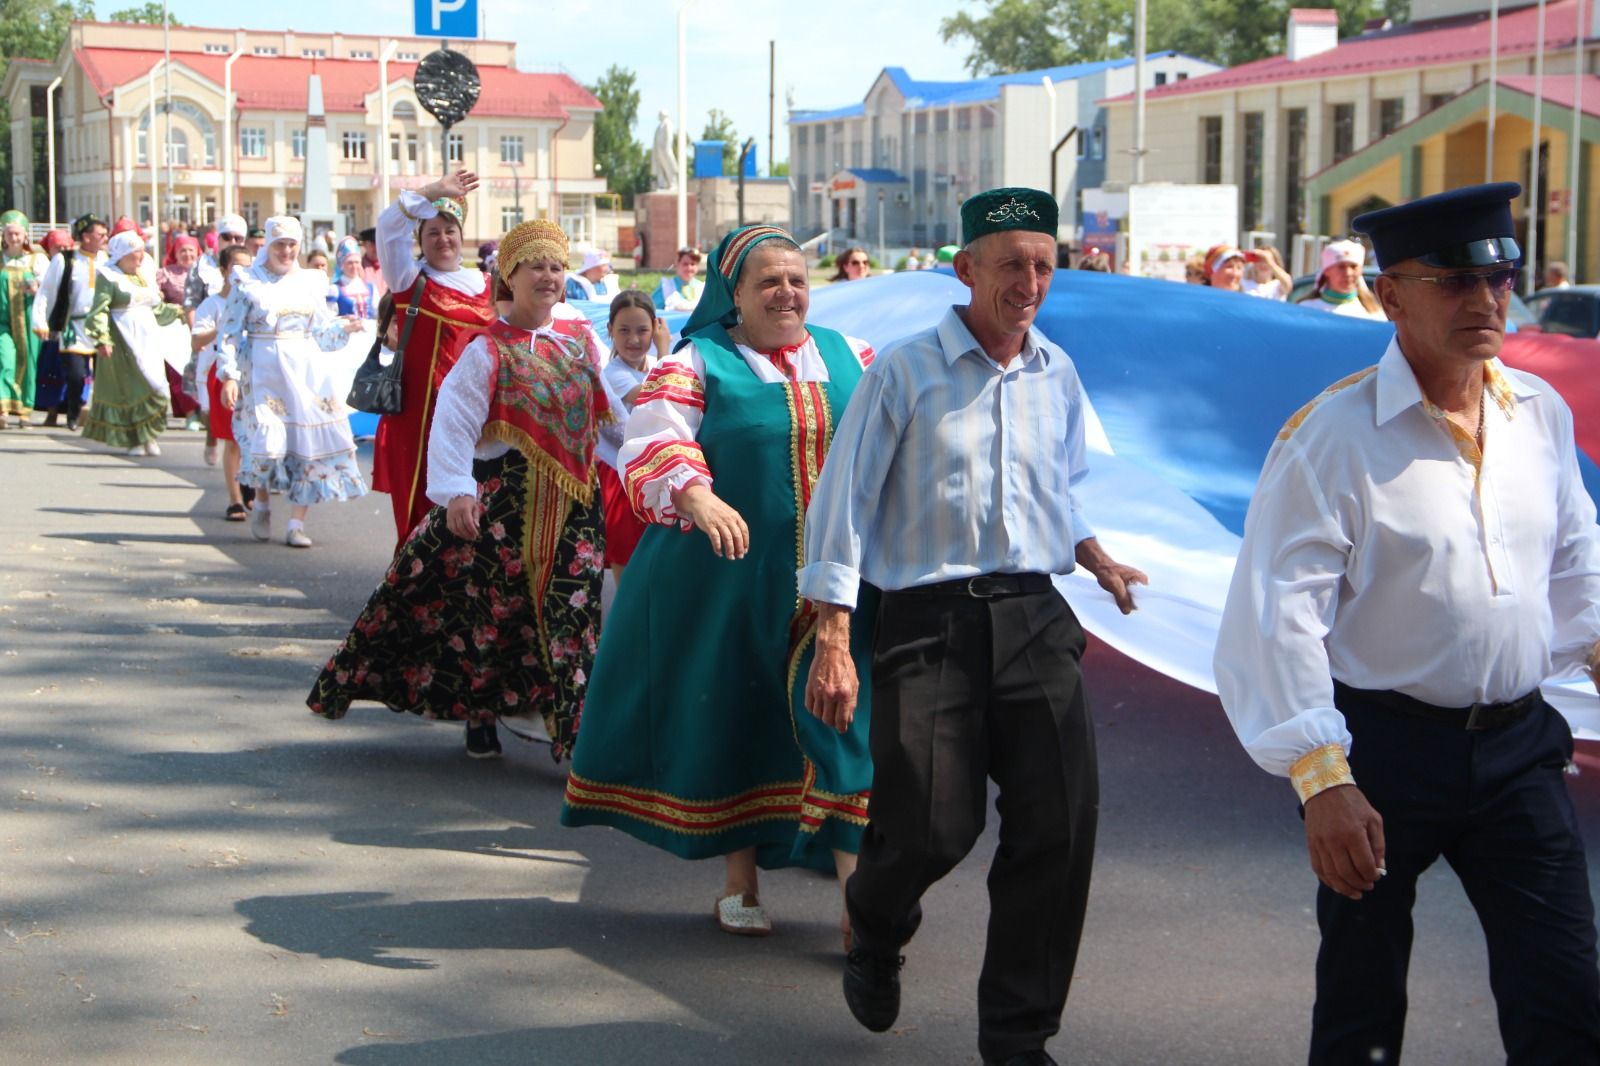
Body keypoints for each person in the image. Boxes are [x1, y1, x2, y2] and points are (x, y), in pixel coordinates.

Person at [1213, 182, 1600, 1065]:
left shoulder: (1537, 415)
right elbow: (1276, 621)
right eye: (1455, 280)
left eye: (1500, 277)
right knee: (1361, 1007)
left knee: (1565, 1000)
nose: (1485, 299)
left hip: (1518, 748)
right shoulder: (1333, 437)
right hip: (1384, 753)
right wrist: (1323, 780)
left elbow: (1579, 565)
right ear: (1389, 296)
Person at [798, 187, 1147, 1066]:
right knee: (930, 827)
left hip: (1034, 615)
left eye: (1043, 265)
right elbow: (842, 502)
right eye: (1011, 265)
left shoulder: (1056, 373)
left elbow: (1056, 492)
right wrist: (834, 638)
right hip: (928, 621)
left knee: (1060, 827)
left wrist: (1095, 555)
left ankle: (1017, 1038)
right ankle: (875, 926)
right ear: (965, 271)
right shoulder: (905, 372)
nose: (1030, 282)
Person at [562, 224, 879, 945]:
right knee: (744, 717)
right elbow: (653, 439)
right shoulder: (698, 362)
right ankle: (740, 883)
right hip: (734, 582)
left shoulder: (850, 356)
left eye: (797, 279)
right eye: (769, 281)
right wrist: (694, 494)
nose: (787, 292)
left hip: (835, 585)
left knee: (846, 719)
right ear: (733, 294)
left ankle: (859, 903)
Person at [309, 218, 609, 761]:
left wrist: (655, 471)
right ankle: (481, 711)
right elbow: (453, 423)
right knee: (494, 617)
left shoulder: (582, 339)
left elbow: (610, 419)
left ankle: (574, 734)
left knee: (575, 615)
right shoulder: (487, 349)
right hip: (505, 505)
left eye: (557, 266)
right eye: (535, 265)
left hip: (573, 506)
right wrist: (456, 491)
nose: (549, 275)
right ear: (509, 278)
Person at [214, 216, 367, 547]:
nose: (286, 251)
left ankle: (297, 523)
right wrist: (229, 374)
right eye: (279, 244)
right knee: (269, 444)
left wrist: (344, 327)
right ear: (268, 245)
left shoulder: (311, 281)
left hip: (307, 372)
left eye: (292, 245)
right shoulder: (248, 281)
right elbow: (228, 332)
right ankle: (264, 502)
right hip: (265, 371)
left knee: (312, 446)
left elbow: (322, 333)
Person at [371, 170, 496, 545]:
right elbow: (386, 228)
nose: (443, 238)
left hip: (477, 420)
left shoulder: (489, 285)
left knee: (479, 514)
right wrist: (432, 191)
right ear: (420, 241)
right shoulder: (409, 279)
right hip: (421, 418)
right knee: (422, 515)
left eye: (450, 230)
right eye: (432, 232)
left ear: (462, 236)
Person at [79, 230, 189, 456]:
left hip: (148, 338)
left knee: (156, 386)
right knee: (133, 389)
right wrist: (102, 338)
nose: (140, 257)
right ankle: (136, 438)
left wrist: (178, 312)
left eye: (142, 252)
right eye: (136, 253)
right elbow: (99, 311)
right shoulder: (108, 276)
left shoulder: (142, 278)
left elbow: (155, 309)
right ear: (123, 254)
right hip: (123, 338)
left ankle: (149, 435)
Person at [595, 289, 671, 581]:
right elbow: (660, 395)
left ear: (655, 327)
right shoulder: (612, 373)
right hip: (620, 476)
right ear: (610, 330)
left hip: (653, 472)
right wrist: (664, 349)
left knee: (655, 565)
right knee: (627, 567)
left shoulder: (653, 367)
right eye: (624, 330)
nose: (634, 340)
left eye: (643, 330)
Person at [191, 244, 255, 519]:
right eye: (235, 267)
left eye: (247, 267)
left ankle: (250, 485)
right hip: (224, 374)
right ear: (223, 271)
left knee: (253, 438)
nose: (241, 272)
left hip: (253, 373)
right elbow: (196, 341)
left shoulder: (255, 300)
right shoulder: (212, 304)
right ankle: (234, 499)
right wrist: (225, 327)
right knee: (232, 439)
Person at [31, 215, 108, 432]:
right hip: (73, 327)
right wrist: (41, 321)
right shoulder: (65, 260)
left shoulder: (108, 260)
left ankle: (101, 419)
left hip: (102, 328)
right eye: (100, 234)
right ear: (85, 236)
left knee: (104, 377)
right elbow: (47, 291)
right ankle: (73, 414)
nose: (105, 238)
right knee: (76, 375)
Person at [0, 211, 45, 427]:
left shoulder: (36, 260)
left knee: (29, 360)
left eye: (17, 234)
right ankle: (3, 408)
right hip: (2, 319)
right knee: (5, 360)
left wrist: (36, 288)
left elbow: (48, 288)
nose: (14, 238)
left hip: (27, 318)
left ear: (25, 235)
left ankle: (25, 408)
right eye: (10, 234)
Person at [30, 229, 76, 426]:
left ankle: (73, 410)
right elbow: (45, 294)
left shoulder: (77, 263)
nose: (63, 250)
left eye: (66, 246)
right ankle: (52, 411)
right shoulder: (44, 265)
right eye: (58, 247)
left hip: (73, 324)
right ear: (49, 249)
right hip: (53, 323)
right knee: (51, 369)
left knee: (73, 369)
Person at [1298, 239, 1386, 320]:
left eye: (1353, 267)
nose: (1348, 273)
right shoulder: (1306, 309)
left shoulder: (1373, 313)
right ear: (1326, 271)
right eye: (1341, 267)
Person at [328, 239, 376, 320]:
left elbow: (377, 314)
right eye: (350, 263)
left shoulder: (371, 287)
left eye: (357, 262)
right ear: (342, 265)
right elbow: (329, 319)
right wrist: (344, 320)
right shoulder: (334, 289)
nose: (354, 266)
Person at [652, 245, 703, 311]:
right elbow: (651, 310)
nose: (689, 268)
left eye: (693, 264)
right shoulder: (666, 286)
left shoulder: (703, 288)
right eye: (685, 264)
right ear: (677, 263)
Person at [357, 227, 387, 299]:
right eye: (373, 244)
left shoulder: (390, 266)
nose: (377, 248)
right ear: (364, 245)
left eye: (379, 244)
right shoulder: (358, 267)